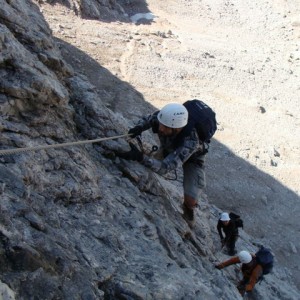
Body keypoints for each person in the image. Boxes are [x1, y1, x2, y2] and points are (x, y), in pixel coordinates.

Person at [116, 102, 208, 227]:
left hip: (193, 159)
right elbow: (148, 119)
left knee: (191, 198)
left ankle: (189, 209)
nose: (160, 129)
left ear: (177, 128)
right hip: (169, 146)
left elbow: (166, 167)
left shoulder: (190, 141)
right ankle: (161, 153)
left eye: (165, 127)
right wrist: (139, 127)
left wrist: (140, 157)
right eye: (161, 125)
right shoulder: (165, 118)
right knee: (154, 163)